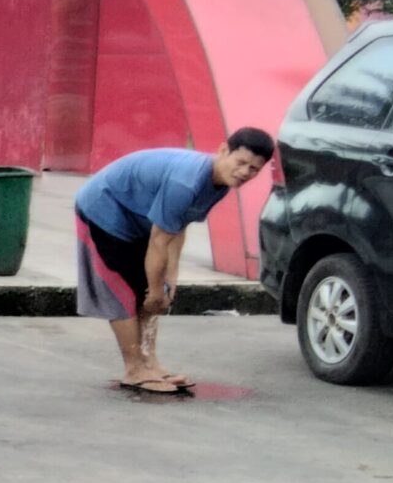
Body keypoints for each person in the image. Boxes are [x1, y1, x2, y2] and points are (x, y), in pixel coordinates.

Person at [74, 128, 275, 395]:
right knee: (124, 292)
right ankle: (134, 370)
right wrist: (156, 290)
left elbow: (178, 226)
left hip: (138, 219)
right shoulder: (187, 182)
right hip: (103, 210)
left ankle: (150, 363)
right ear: (223, 150)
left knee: (151, 291)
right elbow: (159, 241)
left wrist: (170, 277)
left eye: (253, 169)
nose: (244, 172)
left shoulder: (220, 184)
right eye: (241, 162)